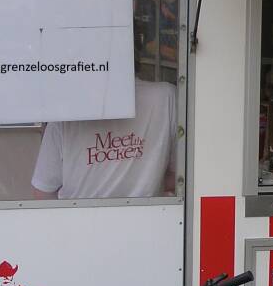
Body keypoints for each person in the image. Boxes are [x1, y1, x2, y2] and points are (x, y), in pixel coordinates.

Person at [32, 28, 178, 199]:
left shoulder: (67, 110)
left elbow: (43, 192)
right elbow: (180, 175)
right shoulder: (165, 97)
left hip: (78, 214)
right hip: (146, 214)